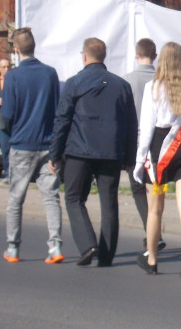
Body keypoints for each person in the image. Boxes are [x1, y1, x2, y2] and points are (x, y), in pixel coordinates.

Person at [49, 37, 137, 266]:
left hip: (80, 150)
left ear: (84, 56)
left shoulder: (74, 83)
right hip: (111, 152)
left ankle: (88, 244)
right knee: (109, 203)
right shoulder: (121, 85)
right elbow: (130, 124)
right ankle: (106, 255)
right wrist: (129, 157)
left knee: (74, 197)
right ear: (103, 56)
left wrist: (54, 154)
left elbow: (62, 120)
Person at [134, 42, 181, 277]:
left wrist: (140, 160)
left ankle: (151, 259)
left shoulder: (152, 88)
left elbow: (146, 129)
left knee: (155, 210)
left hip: (158, 149)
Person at [1, 27, 63, 264]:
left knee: (16, 198)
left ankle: (13, 248)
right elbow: (58, 112)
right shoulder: (50, 74)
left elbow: (7, 114)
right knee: (51, 197)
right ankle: (55, 246)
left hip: (22, 144)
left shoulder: (13, 77)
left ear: (16, 50)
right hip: (48, 145)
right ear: (34, 46)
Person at [123, 38, 160, 249]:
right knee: (156, 186)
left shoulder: (127, 80)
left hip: (136, 140)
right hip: (159, 140)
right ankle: (154, 230)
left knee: (138, 189)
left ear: (137, 55)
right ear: (154, 56)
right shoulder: (161, 79)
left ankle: (152, 230)